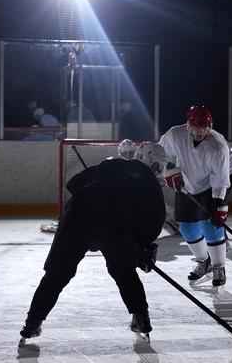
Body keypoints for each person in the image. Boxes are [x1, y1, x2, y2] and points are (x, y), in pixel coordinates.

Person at [19, 142, 167, 343]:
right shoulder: (151, 184)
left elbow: (73, 183)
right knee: (124, 271)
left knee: (57, 273)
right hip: (113, 225)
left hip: (78, 216)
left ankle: (32, 324)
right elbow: (154, 223)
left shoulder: (111, 164)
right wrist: (141, 247)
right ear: (156, 164)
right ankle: (141, 319)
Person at [159, 105, 232, 287]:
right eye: (196, 127)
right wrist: (169, 173)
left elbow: (220, 181)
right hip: (190, 180)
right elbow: (163, 155)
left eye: (204, 127)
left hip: (223, 175)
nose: (200, 132)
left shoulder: (218, 146)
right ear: (187, 125)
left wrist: (219, 205)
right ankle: (204, 261)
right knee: (187, 227)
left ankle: (219, 266)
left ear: (210, 126)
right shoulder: (174, 135)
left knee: (210, 223)